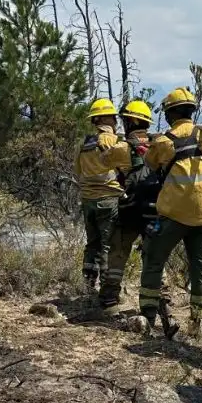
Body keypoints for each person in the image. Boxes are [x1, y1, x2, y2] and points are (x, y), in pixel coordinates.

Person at [138, 87, 202, 340]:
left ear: (170, 114)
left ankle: (148, 315)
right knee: (201, 266)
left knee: (154, 259)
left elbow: (150, 165)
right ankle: (199, 323)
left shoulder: (165, 141)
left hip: (174, 213)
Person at [98, 100, 167, 319]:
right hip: (154, 210)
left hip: (129, 208)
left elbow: (102, 161)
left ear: (131, 121)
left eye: (125, 120)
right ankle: (161, 303)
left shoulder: (122, 148)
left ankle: (109, 297)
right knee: (154, 257)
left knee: (118, 252)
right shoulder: (161, 145)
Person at [74, 98, 132, 296]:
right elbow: (128, 170)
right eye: (114, 118)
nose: (116, 122)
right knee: (108, 246)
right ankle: (107, 292)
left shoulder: (83, 143)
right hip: (108, 200)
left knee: (92, 245)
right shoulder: (115, 142)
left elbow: (77, 171)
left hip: (88, 201)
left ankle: (88, 286)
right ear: (109, 119)